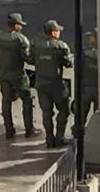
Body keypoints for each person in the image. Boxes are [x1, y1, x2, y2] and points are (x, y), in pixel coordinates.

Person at [0, 12, 36, 139]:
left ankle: (9, 130)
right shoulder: (20, 39)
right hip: (18, 75)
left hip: (3, 74)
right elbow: (27, 58)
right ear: (15, 25)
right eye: (20, 25)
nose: (21, 27)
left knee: (6, 102)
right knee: (27, 100)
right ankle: (29, 129)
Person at [33, 19, 73, 148]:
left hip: (41, 83)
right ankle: (59, 137)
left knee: (46, 112)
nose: (59, 33)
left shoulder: (36, 44)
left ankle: (49, 138)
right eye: (57, 31)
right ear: (53, 32)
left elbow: (29, 59)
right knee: (64, 110)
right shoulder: (61, 46)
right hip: (56, 85)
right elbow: (68, 63)